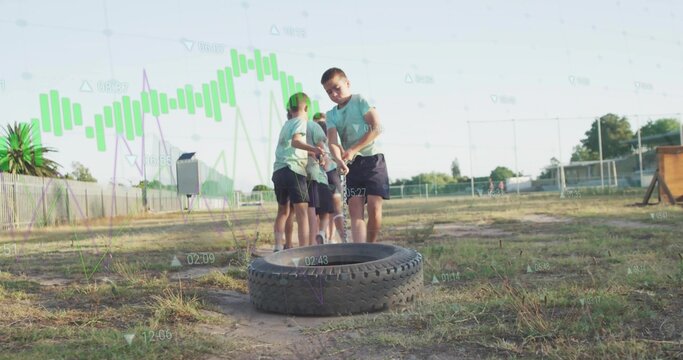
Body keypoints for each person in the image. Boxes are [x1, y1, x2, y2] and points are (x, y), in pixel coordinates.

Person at [320, 67, 388, 243]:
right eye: (329, 92)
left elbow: (377, 127)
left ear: (347, 83)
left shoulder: (360, 101)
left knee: (374, 207)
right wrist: (338, 159)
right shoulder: (331, 115)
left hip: (373, 160)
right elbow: (333, 141)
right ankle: (361, 251)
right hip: (352, 166)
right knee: (355, 211)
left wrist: (353, 149)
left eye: (337, 88)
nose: (334, 94)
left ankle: (370, 246)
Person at [271, 92, 323, 251]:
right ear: (306, 107)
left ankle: (278, 247)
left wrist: (310, 153)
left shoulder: (286, 124)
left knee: (283, 211)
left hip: (279, 171)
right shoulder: (301, 121)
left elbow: (289, 148)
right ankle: (304, 250)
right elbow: (296, 142)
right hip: (294, 171)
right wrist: (314, 148)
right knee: (302, 213)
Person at [313, 113, 347, 242]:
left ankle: (325, 234)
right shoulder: (332, 139)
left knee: (322, 210)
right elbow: (342, 152)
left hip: (321, 175)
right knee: (336, 209)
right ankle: (341, 238)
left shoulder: (313, 139)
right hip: (332, 173)